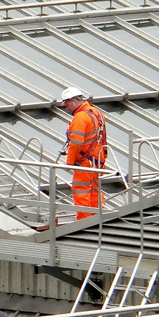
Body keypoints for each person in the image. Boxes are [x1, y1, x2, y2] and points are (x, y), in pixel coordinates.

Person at [60, 86, 107, 220]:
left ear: (74, 101)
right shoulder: (96, 113)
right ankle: (97, 218)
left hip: (85, 163)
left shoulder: (81, 117)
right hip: (97, 161)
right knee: (95, 191)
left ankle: (83, 221)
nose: (66, 107)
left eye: (67, 104)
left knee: (81, 192)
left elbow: (76, 142)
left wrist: (70, 162)